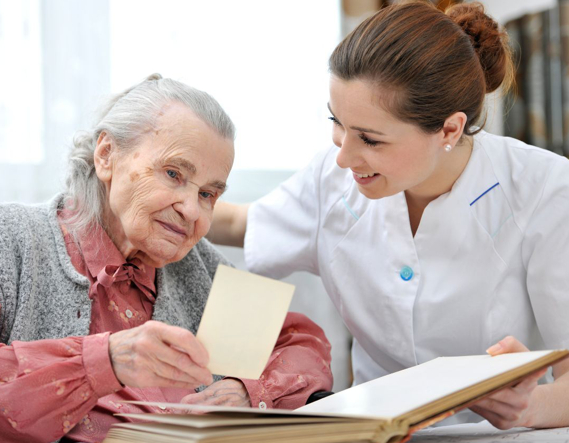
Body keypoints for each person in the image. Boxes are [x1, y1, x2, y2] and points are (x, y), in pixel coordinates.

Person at [208, 1, 569, 430]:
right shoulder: (332, 177)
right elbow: (240, 225)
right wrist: (149, 198)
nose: (343, 156)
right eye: (336, 121)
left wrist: (526, 407)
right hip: (372, 431)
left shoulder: (545, 191)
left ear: (449, 131)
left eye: (371, 140)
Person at [0, 74, 333, 443]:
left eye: (208, 194)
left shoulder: (196, 265)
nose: (191, 210)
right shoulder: (12, 240)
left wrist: (249, 391)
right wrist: (105, 361)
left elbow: (299, 342)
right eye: (173, 174)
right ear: (107, 154)